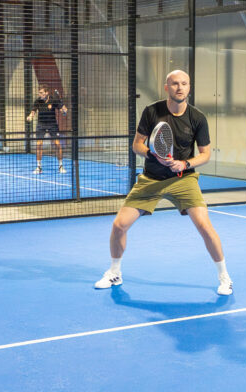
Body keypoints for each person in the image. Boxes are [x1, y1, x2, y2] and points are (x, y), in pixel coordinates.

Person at [96, 69, 232, 296]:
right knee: (119, 225)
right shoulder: (152, 112)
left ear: (189, 87)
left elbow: (205, 154)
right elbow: (137, 145)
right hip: (151, 179)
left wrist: (185, 164)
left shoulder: (197, 118)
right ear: (167, 87)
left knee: (205, 227)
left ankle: (225, 277)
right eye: (175, 83)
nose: (180, 87)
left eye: (184, 83)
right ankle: (114, 272)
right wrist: (152, 155)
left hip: (183, 179)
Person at [26, 83, 69, 174]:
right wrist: (30, 116)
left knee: (57, 144)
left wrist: (64, 111)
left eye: (41, 93)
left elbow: (63, 110)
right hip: (41, 124)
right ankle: (39, 167)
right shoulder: (38, 101)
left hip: (52, 124)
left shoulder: (53, 100)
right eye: (39, 93)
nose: (39, 94)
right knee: (38, 144)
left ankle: (61, 166)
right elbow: (33, 111)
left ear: (46, 93)